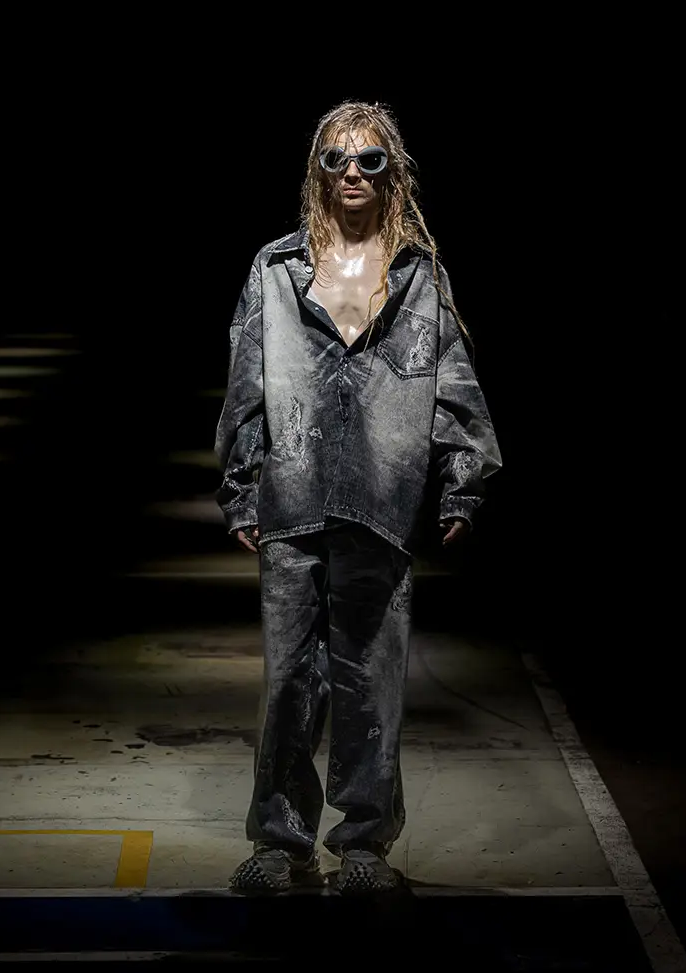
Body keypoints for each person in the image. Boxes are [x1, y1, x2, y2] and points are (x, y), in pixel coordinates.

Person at [213, 100, 502, 895]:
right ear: (317, 170)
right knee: (288, 683)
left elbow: (453, 382)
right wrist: (240, 487)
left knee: (371, 681)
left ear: (391, 172)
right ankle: (280, 841)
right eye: (336, 158)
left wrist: (462, 481)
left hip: (381, 501)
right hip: (294, 495)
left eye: (368, 159)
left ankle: (365, 844)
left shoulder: (418, 276)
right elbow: (246, 380)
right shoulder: (277, 269)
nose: (351, 171)